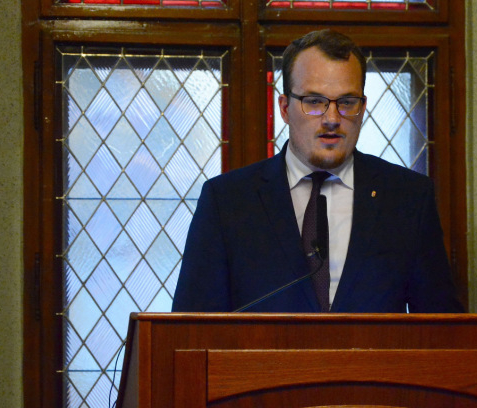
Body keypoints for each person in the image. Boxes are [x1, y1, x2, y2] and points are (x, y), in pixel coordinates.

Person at [172, 29, 462, 313]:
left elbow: (442, 327)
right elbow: (190, 329)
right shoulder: (227, 201)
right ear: (284, 108)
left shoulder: (408, 198)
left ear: (363, 107)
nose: (332, 118)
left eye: (346, 102)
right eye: (314, 102)